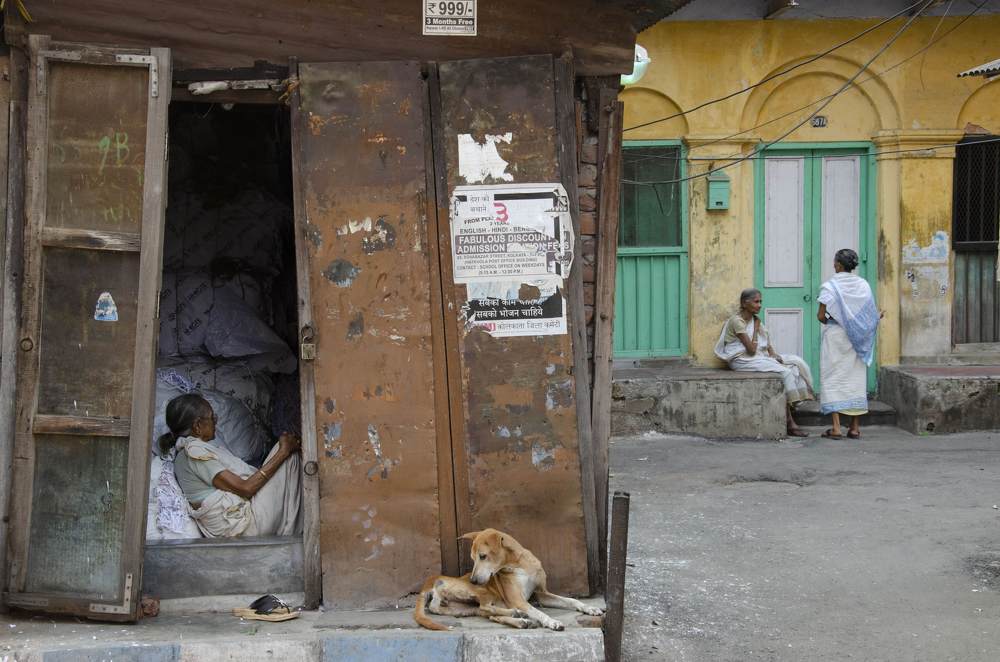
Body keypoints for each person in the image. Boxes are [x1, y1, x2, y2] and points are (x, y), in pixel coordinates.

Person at [158, 393, 302, 537]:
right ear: (197, 426)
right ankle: (296, 532)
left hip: (241, 519)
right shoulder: (193, 453)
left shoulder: (186, 453)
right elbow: (246, 489)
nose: (215, 422)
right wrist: (283, 452)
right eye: (212, 418)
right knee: (287, 452)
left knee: (285, 447)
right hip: (246, 525)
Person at [714, 288, 814, 437]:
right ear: (744, 303)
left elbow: (765, 343)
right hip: (740, 359)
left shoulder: (754, 319)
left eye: (760, 301)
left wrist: (773, 354)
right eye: (756, 302)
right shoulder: (737, 321)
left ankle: (791, 412)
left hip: (754, 356)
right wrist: (754, 328)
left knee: (795, 364)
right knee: (785, 372)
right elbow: (751, 349)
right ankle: (790, 423)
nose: (760, 305)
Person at [816, 248, 881, 439]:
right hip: (858, 339)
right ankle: (854, 427)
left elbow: (821, 316)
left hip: (835, 336)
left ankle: (836, 428)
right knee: (855, 379)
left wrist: (835, 319)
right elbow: (870, 315)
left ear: (837, 265)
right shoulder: (863, 286)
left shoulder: (830, 286)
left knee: (833, 377)